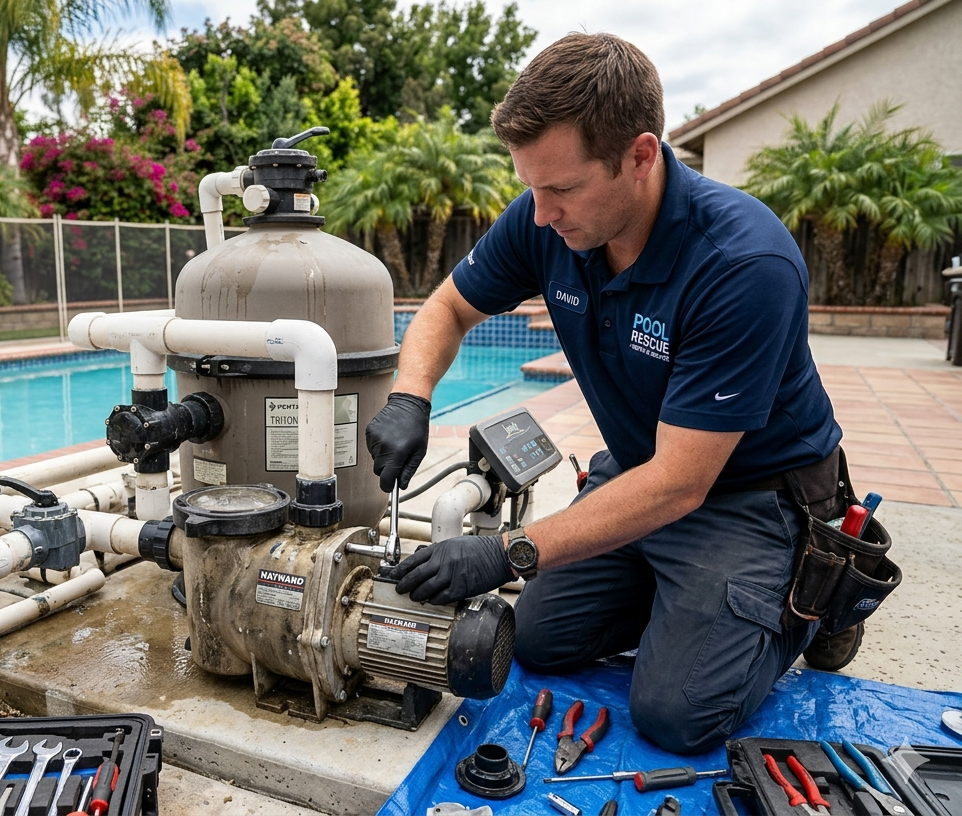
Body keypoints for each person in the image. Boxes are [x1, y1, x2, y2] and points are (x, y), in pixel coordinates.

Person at [365, 32, 859, 754]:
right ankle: (684, 602)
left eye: (562, 189)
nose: (540, 213)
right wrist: (410, 396)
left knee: (676, 714)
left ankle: (819, 603)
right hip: (641, 473)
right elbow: (446, 309)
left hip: (751, 498)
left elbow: (681, 484)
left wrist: (507, 551)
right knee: (535, 639)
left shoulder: (743, 262)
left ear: (641, 156)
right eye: (532, 186)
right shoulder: (547, 220)